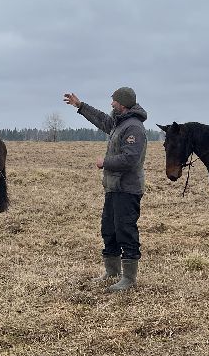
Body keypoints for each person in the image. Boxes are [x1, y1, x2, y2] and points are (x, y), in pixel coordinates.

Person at [62, 87, 147, 291]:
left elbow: (131, 159)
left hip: (127, 189)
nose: (111, 104)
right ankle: (112, 272)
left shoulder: (133, 127)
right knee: (108, 229)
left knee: (125, 230)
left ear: (123, 104)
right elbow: (101, 120)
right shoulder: (119, 123)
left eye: (114, 102)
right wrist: (80, 106)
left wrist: (105, 162)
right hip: (113, 187)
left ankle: (129, 278)